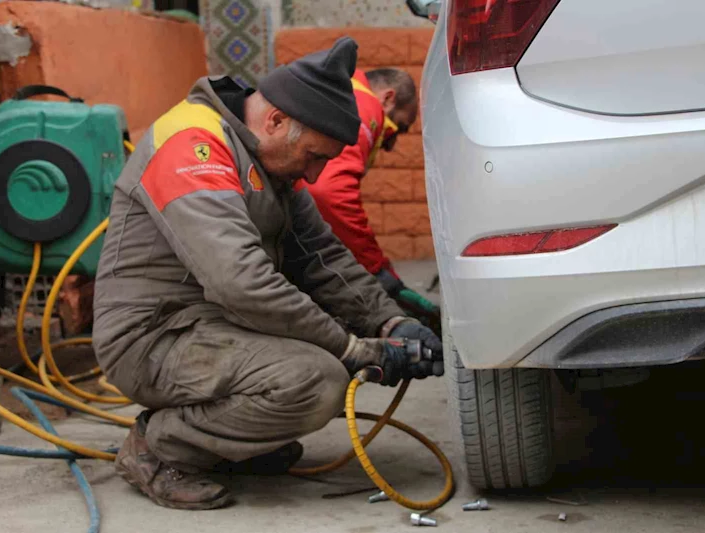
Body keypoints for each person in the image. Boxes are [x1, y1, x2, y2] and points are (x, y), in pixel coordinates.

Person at [91, 37, 444, 511]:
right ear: (277, 121)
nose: (316, 175)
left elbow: (322, 257)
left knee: (316, 363)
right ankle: (158, 447)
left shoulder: (269, 162)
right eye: (315, 156)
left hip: (211, 325)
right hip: (151, 336)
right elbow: (242, 282)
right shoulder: (193, 144)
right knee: (316, 379)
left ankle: (229, 441)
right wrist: (354, 348)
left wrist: (389, 322)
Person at [296, 67, 442, 335]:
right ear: (387, 98)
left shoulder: (343, 94)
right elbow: (331, 193)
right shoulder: (364, 106)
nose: (390, 144)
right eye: (396, 128)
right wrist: (376, 269)